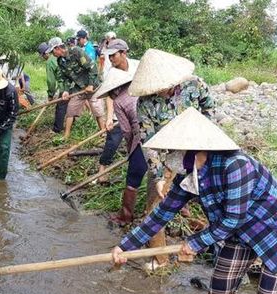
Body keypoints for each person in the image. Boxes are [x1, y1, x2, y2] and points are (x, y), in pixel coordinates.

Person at [111, 107, 277, 294]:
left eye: (176, 150)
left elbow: (233, 218)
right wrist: (124, 246)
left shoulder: (235, 165)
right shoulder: (189, 174)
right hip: (237, 232)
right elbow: (161, 214)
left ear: (195, 149)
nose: (171, 156)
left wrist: (195, 243)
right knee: (219, 290)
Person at [127, 48, 216, 269]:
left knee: (212, 204)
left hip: (198, 154)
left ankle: (216, 247)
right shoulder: (145, 103)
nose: (162, 90)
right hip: (167, 159)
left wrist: (205, 142)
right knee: (155, 209)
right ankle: (161, 260)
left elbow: (210, 109)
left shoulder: (194, 85)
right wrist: (158, 177)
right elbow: (149, 142)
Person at [93, 68, 146, 225]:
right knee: (161, 175)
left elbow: (127, 131)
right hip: (158, 134)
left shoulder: (119, 101)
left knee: (133, 178)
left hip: (142, 137)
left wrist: (132, 151)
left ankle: (125, 217)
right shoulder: (139, 91)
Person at [96, 39, 140, 184]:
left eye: (113, 55)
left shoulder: (138, 66)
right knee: (113, 141)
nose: (110, 59)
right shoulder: (111, 73)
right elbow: (110, 97)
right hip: (119, 110)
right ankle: (102, 171)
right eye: (109, 56)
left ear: (123, 53)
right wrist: (109, 117)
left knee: (138, 142)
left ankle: (134, 170)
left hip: (139, 110)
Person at [46, 37, 105, 139]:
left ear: (57, 48)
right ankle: (66, 135)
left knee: (97, 110)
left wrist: (91, 85)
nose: (52, 54)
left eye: (52, 51)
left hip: (93, 86)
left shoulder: (76, 51)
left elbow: (92, 67)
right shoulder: (60, 61)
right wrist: (65, 91)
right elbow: (65, 78)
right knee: (70, 110)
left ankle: (103, 132)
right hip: (79, 87)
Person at [38, 42, 67, 133]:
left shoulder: (50, 62)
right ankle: (69, 124)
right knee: (68, 105)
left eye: (42, 56)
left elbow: (51, 81)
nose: (43, 58)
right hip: (70, 83)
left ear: (45, 53)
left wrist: (50, 94)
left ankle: (57, 129)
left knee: (60, 107)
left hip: (64, 86)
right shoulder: (58, 57)